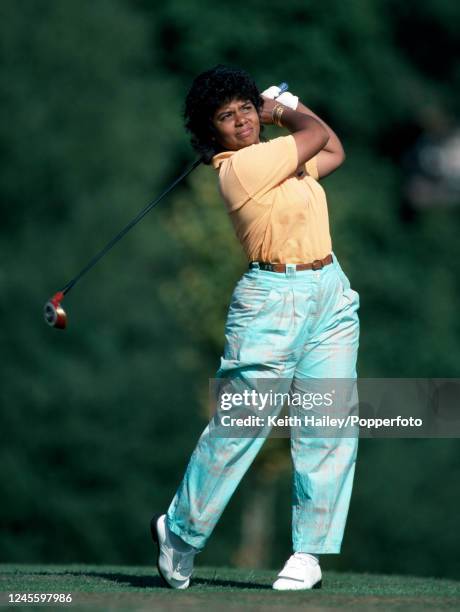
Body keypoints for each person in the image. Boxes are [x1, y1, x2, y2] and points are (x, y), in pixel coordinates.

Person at [151, 65, 360, 591]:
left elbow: (332, 150)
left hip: (329, 293)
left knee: (329, 422)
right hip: (272, 302)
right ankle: (179, 531)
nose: (242, 120)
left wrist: (288, 109)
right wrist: (282, 109)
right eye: (227, 116)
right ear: (212, 132)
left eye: (246, 108)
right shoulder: (242, 168)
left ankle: (308, 554)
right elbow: (313, 135)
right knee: (242, 424)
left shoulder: (282, 163)